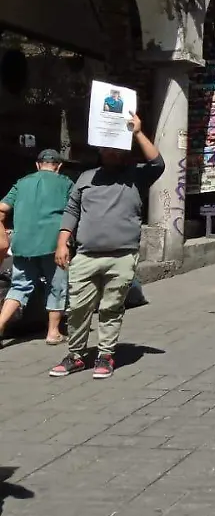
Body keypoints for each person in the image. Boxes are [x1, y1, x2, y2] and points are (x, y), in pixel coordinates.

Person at [51, 113, 164, 379]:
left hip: (122, 257)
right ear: (99, 149)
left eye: (115, 147)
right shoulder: (86, 177)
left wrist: (137, 132)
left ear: (123, 149)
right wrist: (61, 243)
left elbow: (158, 164)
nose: (110, 152)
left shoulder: (136, 176)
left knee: (111, 308)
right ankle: (76, 356)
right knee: (77, 308)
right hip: (86, 255)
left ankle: (106, 355)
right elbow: (72, 211)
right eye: (105, 147)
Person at [0, 149, 74, 345]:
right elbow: (74, 211)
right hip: (54, 244)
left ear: (37, 165)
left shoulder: (22, 183)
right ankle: (53, 332)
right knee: (56, 285)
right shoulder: (66, 183)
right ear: (58, 166)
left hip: (22, 243)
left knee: (19, 286)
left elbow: (2, 208)